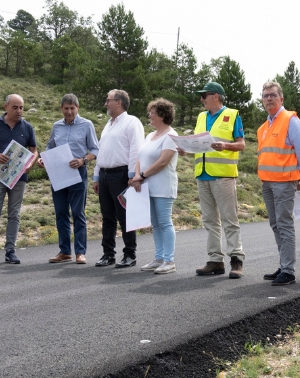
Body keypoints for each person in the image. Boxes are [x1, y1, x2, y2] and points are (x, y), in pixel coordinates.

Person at [186, 81, 245, 279]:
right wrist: (185, 148)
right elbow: (198, 143)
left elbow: (241, 144)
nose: (201, 99)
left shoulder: (233, 115)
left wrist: (225, 146)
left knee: (229, 219)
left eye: (204, 95)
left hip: (223, 174)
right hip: (202, 174)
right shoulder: (201, 117)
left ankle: (236, 260)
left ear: (216, 96)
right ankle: (215, 260)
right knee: (210, 220)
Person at [256, 81, 300, 286]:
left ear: (281, 98)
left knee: (284, 224)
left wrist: (298, 176)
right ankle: (283, 264)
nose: (268, 98)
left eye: (272, 95)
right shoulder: (263, 127)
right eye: (265, 95)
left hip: (285, 182)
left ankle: (288, 270)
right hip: (268, 183)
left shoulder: (290, 121)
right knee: (276, 224)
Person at [0, 94, 38, 265]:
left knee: (14, 214)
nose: (19, 111)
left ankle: (10, 251)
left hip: (19, 178)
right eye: (15, 107)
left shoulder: (27, 127)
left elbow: (34, 150)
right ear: (6, 107)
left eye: (21, 107)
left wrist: (30, 163)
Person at [39, 94, 99, 265]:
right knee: (61, 213)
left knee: (78, 213)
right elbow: (50, 146)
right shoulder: (56, 126)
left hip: (78, 173)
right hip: (58, 173)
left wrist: (83, 160)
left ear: (77, 108)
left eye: (72, 108)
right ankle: (65, 251)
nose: (69, 111)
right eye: (66, 108)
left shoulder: (87, 125)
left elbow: (96, 149)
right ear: (61, 109)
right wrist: (44, 158)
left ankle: (80, 252)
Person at [92, 89, 144, 268]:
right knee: (107, 217)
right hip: (106, 174)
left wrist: (132, 175)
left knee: (125, 216)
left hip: (121, 175)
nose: (106, 103)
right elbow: (101, 150)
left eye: (108, 100)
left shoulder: (132, 122)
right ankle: (108, 254)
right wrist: (96, 176)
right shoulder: (109, 124)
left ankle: (130, 254)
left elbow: (136, 150)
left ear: (119, 102)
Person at [130, 98, 178, 275]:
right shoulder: (150, 136)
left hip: (163, 186)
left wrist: (141, 176)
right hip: (147, 185)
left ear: (162, 115)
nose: (149, 115)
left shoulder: (171, 136)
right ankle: (159, 257)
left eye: (152, 113)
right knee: (156, 224)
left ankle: (169, 260)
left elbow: (163, 162)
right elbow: (139, 157)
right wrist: (136, 175)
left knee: (165, 222)